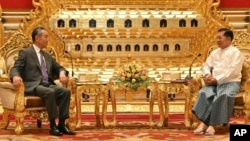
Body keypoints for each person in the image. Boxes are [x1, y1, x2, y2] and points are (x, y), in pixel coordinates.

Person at [10, 26, 76, 136]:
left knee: (65, 92)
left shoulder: (47, 56)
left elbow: (59, 67)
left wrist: (62, 72)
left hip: (47, 84)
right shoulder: (26, 53)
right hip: (33, 85)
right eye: (45, 36)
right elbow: (15, 68)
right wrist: (15, 76)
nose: (47, 39)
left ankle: (62, 124)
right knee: (49, 92)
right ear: (37, 38)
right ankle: (52, 125)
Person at [192, 28, 243, 136]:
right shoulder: (215, 52)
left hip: (230, 82)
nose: (217, 40)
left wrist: (217, 79)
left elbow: (233, 71)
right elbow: (206, 65)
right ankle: (204, 123)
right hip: (213, 82)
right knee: (204, 93)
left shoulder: (236, 52)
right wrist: (208, 75)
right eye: (217, 38)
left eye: (220, 38)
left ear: (228, 39)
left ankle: (211, 124)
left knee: (222, 95)